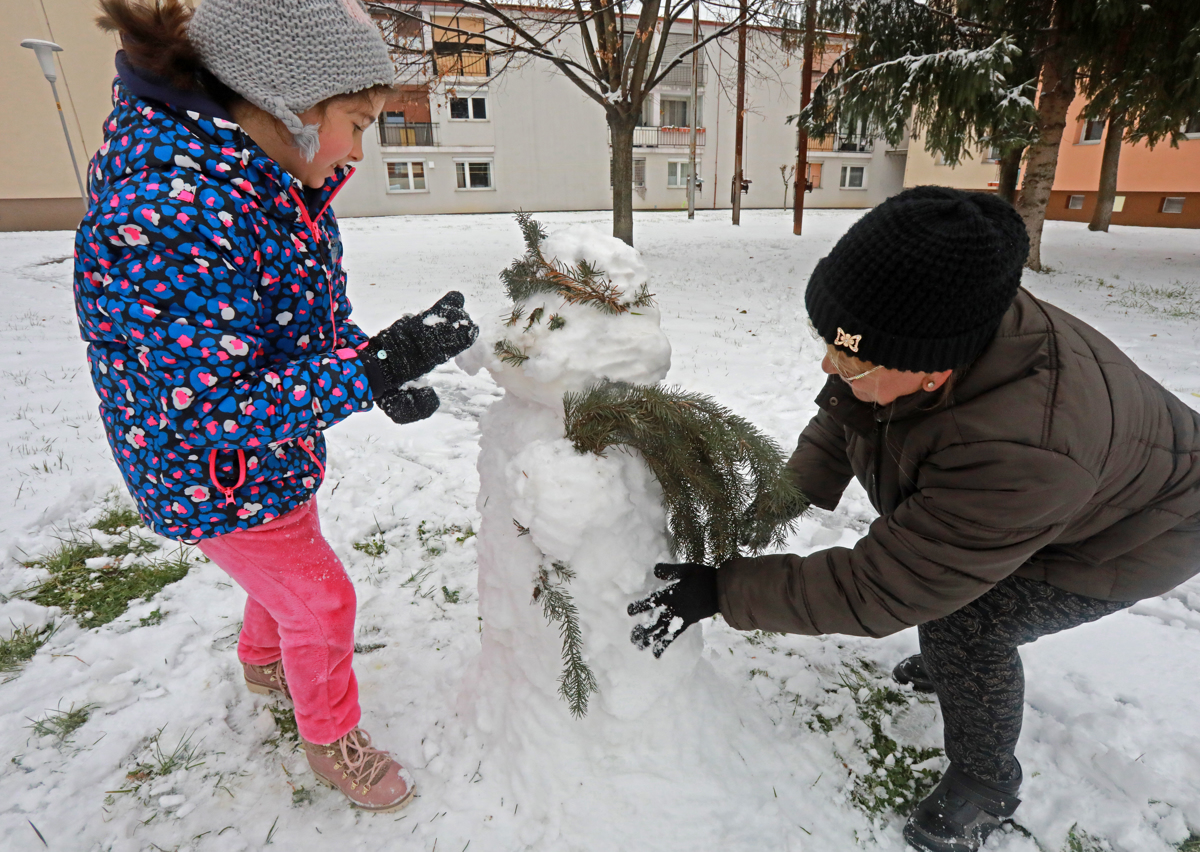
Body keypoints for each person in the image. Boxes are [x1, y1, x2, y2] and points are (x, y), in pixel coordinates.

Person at [628, 186, 1200, 851]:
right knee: (952, 595)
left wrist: (720, 590)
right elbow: (849, 409)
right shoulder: (936, 324)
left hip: (1140, 532)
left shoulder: (1022, 450)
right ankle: (951, 669)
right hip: (1078, 487)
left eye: (851, 358)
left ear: (935, 369)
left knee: (966, 622)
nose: (829, 367)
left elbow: (885, 587)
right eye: (831, 344)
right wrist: (789, 495)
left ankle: (986, 783)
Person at [74, 0, 478, 813]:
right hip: (208, 469)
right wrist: (362, 376)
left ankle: (264, 662)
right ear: (291, 105)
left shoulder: (268, 188)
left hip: (260, 457)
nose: (358, 150)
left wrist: (372, 360)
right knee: (322, 597)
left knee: (291, 570)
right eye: (356, 123)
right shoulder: (176, 211)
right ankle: (331, 737)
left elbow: (301, 323)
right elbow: (208, 405)